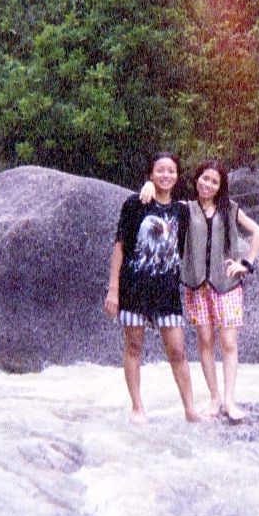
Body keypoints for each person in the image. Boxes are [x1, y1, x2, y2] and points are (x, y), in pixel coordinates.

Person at [142, 159, 259, 421]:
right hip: (197, 286)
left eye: (214, 181)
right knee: (205, 341)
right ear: (196, 179)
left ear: (220, 186)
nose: (207, 184)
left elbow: (258, 233)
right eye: (204, 178)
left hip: (226, 285)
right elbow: (158, 211)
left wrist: (246, 263)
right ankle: (214, 398)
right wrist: (149, 186)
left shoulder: (230, 208)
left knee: (228, 342)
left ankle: (229, 400)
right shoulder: (186, 209)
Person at [104, 152, 203, 424]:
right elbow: (120, 247)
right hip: (134, 287)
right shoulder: (135, 204)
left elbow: (210, 205)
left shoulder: (182, 211)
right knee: (134, 347)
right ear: (150, 174)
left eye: (171, 171)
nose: (165, 175)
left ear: (177, 176)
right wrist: (113, 290)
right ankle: (137, 407)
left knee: (178, 351)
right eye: (160, 170)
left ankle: (190, 410)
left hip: (167, 291)